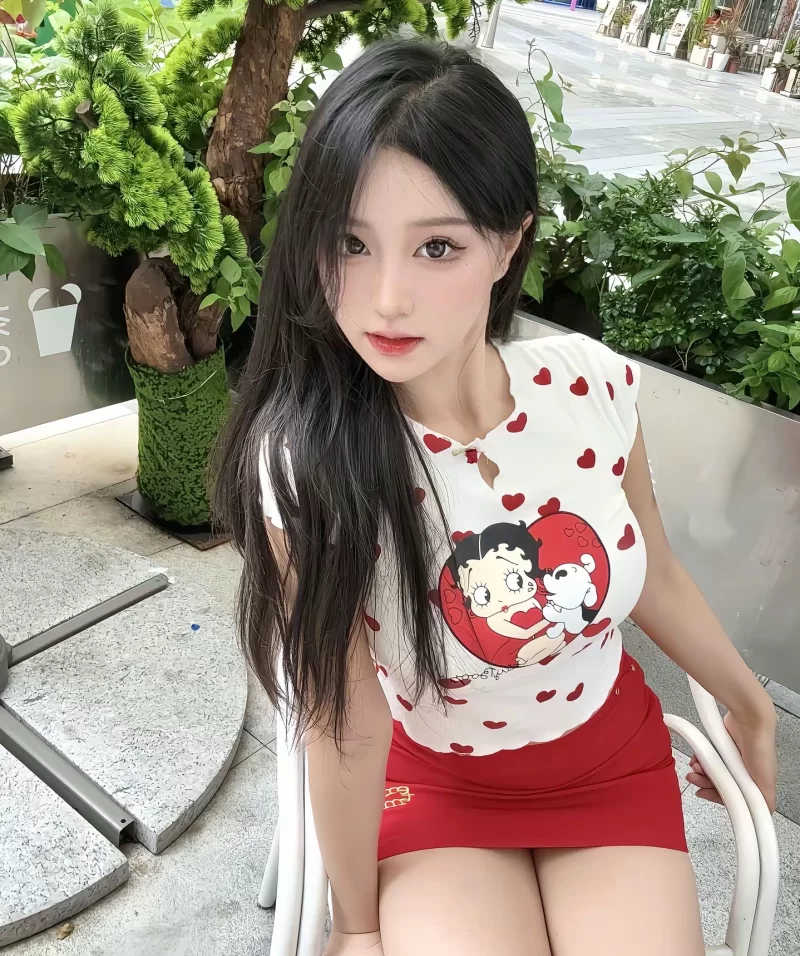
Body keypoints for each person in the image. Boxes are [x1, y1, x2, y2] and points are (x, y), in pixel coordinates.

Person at [213, 39, 778, 956]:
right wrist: (356, 925)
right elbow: (343, 716)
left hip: (608, 760)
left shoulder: (591, 387)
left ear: (509, 241)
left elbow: (656, 572)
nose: (385, 299)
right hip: (436, 782)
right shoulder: (310, 463)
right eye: (351, 243)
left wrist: (749, 705)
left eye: (437, 246)